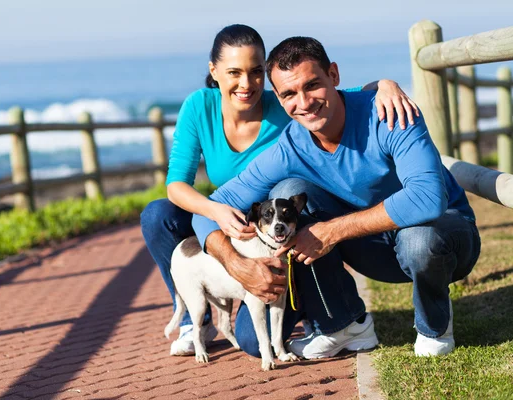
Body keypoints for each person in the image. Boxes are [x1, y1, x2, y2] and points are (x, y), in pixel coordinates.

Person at [191, 36, 480, 358]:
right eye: (288, 93)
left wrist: (332, 230)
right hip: (373, 248)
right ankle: (345, 326)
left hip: (443, 236)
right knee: (287, 194)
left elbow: (427, 198)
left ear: (334, 75)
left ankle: (434, 327)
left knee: (418, 238)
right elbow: (208, 209)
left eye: (312, 85)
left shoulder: (390, 113)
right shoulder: (290, 147)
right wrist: (235, 263)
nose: (304, 102)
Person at [140, 24, 419, 357]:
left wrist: (385, 85)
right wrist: (216, 214)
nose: (247, 84)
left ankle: (319, 309)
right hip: (232, 219)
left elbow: (343, 91)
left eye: (256, 72)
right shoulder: (199, 106)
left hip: (282, 231)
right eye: (234, 72)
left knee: (249, 341)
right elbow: (177, 185)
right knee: (158, 214)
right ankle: (193, 318)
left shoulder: (290, 105)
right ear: (214, 72)